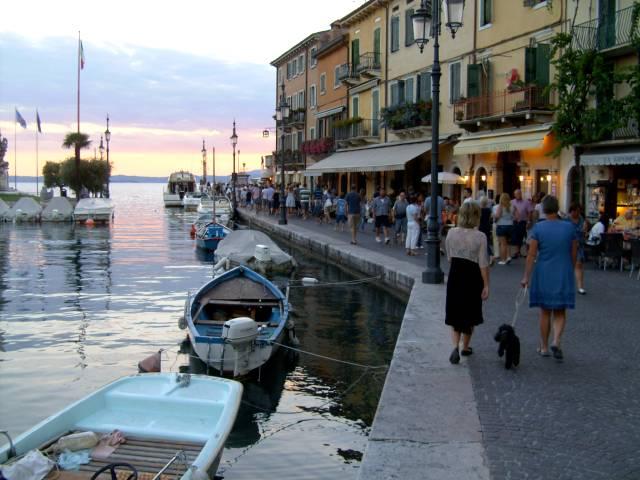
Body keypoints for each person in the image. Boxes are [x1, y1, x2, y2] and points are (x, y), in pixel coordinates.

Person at [521, 195, 577, 361]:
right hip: (563, 270)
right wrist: (570, 268)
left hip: (544, 271)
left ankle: (544, 346)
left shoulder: (539, 228)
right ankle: (556, 341)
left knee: (545, 311)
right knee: (560, 311)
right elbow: (574, 252)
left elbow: (531, 255)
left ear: (544, 209)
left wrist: (526, 276)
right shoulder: (569, 227)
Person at [445, 201, 490, 364]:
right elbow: (483, 263)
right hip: (472, 276)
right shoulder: (480, 236)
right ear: (477, 216)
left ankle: (455, 346)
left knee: (455, 312)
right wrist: (486, 285)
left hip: (455, 274)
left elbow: (449, 257)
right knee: (470, 313)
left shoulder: (451, 233)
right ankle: (465, 346)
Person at [565, 203, 588, 295]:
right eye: (577, 211)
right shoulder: (566, 220)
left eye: (580, 211)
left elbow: (584, 232)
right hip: (568, 245)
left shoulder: (582, 220)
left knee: (578, 264)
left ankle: (580, 287)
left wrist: (585, 230)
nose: (579, 213)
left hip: (579, 245)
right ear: (572, 211)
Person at [494, 192, 515, 265]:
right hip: (510, 226)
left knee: (502, 244)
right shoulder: (512, 206)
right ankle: (508, 256)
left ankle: (503, 260)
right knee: (508, 243)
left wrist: (495, 220)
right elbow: (517, 216)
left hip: (501, 225)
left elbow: (497, 216)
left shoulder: (500, 206)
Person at [511, 189, 533, 258]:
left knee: (522, 237)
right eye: (517, 194)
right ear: (514, 195)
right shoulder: (512, 202)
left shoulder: (526, 202)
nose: (518, 195)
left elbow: (530, 212)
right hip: (514, 221)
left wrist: (529, 221)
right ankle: (517, 252)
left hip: (523, 221)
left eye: (519, 194)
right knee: (515, 237)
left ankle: (523, 252)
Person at [478, 196, 493, 264]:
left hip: (481, 226)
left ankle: (490, 255)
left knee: (481, 242)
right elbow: (490, 218)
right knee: (486, 241)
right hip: (487, 226)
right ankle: (487, 256)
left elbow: (478, 219)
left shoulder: (479, 210)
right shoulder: (489, 210)